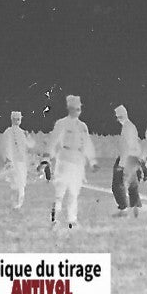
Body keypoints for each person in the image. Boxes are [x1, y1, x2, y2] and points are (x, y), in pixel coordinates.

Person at [47, 94, 97, 233]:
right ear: (69, 108)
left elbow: (87, 144)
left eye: (79, 108)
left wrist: (92, 161)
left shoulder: (82, 126)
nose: (77, 111)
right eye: (75, 108)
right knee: (59, 194)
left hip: (77, 163)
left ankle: (72, 221)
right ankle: (54, 220)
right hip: (64, 161)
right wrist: (47, 157)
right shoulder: (61, 123)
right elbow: (53, 141)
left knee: (74, 194)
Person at [111, 104, 145, 217]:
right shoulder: (131, 126)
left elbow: (126, 147)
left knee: (118, 184)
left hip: (127, 159)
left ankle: (123, 209)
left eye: (118, 117)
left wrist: (121, 164)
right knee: (132, 184)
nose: (118, 120)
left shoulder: (127, 128)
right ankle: (136, 208)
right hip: (133, 158)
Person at [1, 111, 30, 209]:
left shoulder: (22, 132)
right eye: (16, 119)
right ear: (12, 120)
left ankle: (18, 203)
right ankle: (15, 203)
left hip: (21, 161)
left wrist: (28, 137)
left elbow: (30, 145)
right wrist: (8, 160)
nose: (17, 121)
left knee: (20, 182)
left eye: (19, 119)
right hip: (14, 161)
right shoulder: (8, 132)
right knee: (15, 182)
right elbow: (6, 146)